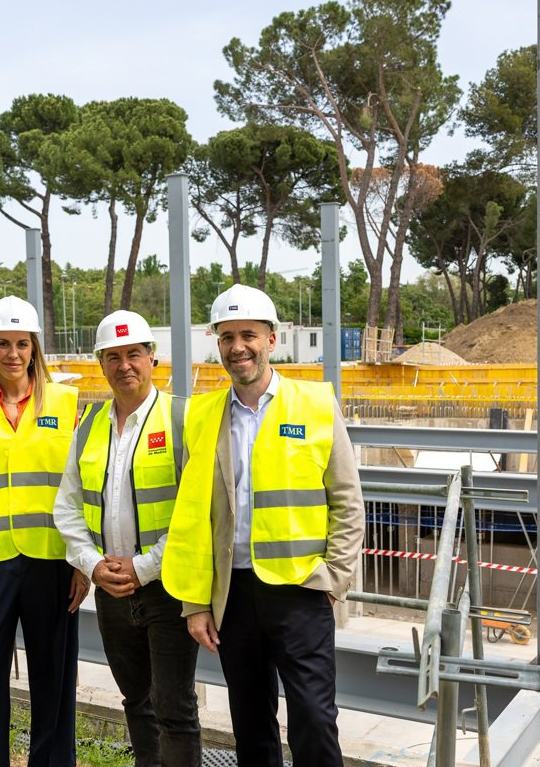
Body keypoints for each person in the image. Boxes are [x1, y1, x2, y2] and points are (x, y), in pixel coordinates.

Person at [163, 284, 365, 767]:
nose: (238, 347)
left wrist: (333, 578)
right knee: (250, 724)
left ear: (271, 340)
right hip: (232, 594)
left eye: (248, 335)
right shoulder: (203, 414)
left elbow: (348, 500)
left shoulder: (314, 404)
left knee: (314, 721)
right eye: (227, 336)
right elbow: (193, 515)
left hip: (301, 589)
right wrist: (196, 601)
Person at [54, 311, 201, 767]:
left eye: (134, 354)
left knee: (174, 708)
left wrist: (143, 567)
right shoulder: (90, 423)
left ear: (152, 358)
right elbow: (68, 504)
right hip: (112, 589)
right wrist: (91, 563)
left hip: (168, 588)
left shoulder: (182, 418)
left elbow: (194, 513)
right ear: (101, 363)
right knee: (136, 700)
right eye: (113, 357)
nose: (125, 366)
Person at [0, 296, 87, 767]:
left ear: (34, 349)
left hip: (53, 562)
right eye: (3, 344)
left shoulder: (66, 404)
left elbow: (83, 488)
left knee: (54, 677)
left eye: (21, 344)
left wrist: (82, 563)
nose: (12, 354)